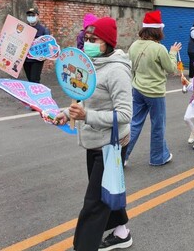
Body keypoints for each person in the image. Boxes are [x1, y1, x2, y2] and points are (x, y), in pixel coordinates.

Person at [53, 17, 133, 251]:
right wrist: (66, 113)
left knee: (94, 204)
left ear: (107, 43)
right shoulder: (89, 64)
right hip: (93, 141)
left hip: (110, 144)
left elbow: (125, 115)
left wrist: (86, 116)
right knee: (107, 190)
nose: (87, 43)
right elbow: (85, 102)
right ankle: (121, 232)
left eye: (93, 39)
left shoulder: (117, 71)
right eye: (86, 38)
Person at [125, 10, 181, 166]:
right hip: (155, 93)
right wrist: (173, 53)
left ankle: (122, 156)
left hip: (137, 89)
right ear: (157, 30)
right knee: (157, 126)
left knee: (134, 123)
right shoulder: (159, 49)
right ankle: (158, 157)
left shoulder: (134, 45)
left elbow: (130, 67)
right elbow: (171, 69)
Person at [23, 7, 50, 83]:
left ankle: (37, 94)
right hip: (25, 59)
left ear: (38, 16)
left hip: (37, 60)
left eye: (33, 15)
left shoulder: (43, 30)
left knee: (34, 80)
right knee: (29, 80)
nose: (30, 17)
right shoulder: (24, 28)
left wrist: (45, 56)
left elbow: (48, 45)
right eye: (29, 15)